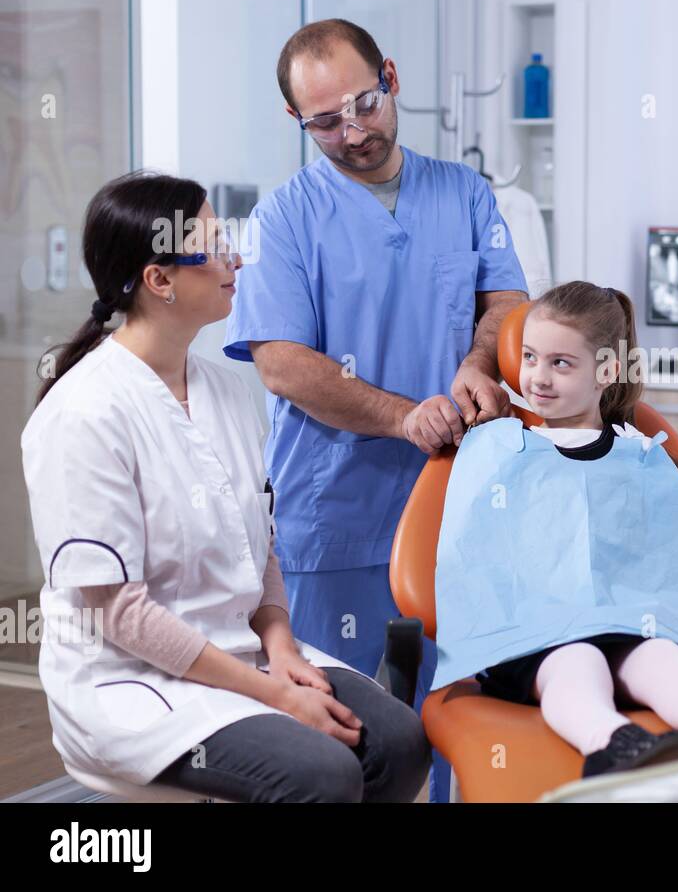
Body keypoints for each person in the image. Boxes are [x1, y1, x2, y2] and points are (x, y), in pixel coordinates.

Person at [23, 172, 430, 802]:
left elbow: (261, 544)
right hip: (133, 682)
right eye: (213, 247)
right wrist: (272, 694)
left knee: (399, 741)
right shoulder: (84, 412)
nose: (235, 259)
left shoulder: (228, 391)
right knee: (324, 773)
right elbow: (118, 612)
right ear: (159, 281)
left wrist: (282, 647)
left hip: (246, 651)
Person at [222, 19, 529, 800]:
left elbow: (507, 304)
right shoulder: (281, 222)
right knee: (341, 733)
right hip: (338, 512)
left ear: (389, 76)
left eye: (364, 104)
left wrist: (472, 361)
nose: (354, 131)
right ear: (297, 120)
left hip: (458, 501)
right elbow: (282, 363)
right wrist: (401, 418)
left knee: (465, 714)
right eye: (326, 121)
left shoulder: (463, 193)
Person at [434, 282, 678, 778]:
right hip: (535, 636)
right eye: (529, 357)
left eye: (560, 363)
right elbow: (473, 560)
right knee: (576, 666)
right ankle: (615, 741)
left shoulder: (643, 455)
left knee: (660, 658)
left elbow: (675, 559)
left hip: (630, 622)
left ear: (607, 371)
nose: (537, 378)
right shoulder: (497, 450)